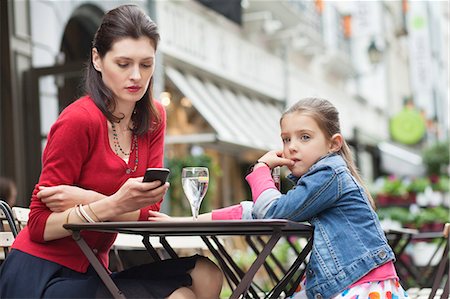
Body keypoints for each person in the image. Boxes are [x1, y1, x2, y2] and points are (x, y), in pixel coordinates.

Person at [0, 5, 222, 299]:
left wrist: (89, 199)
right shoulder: (78, 120)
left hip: (95, 269)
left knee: (207, 273)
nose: (136, 76)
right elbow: (40, 225)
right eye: (123, 63)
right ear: (97, 59)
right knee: (180, 296)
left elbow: (149, 213)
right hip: (42, 276)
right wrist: (114, 204)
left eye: (146, 64)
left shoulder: (153, 117)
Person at [149, 98, 408, 299]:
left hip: (362, 286)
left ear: (334, 143)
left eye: (304, 137)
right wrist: (184, 221)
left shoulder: (330, 173)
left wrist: (261, 169)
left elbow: (272, 212)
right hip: (349, 282)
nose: (292, 146)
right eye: (286, 139)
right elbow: (252, 211)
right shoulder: (318, 183)